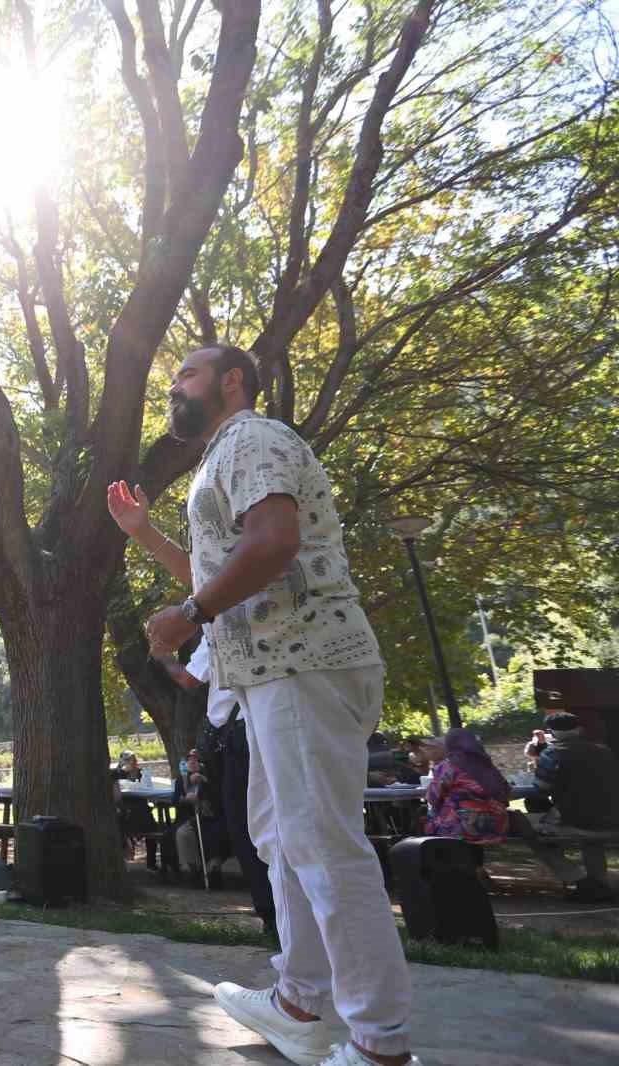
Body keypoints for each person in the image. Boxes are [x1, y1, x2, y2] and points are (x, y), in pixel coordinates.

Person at [108, 345, 417, 1066]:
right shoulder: (226, 456)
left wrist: (190, 612)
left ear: (232, 380)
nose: (173, 390)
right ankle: (298, 1004)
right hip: (271, 677)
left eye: (185, 375)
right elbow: (225, 569)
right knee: (282, 839)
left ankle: (381, 1047)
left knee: (323, 848)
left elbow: (274, 543)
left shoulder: (251, 437)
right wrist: (145, 535)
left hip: (302, 663)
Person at [187, 636, 275, 931]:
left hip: (242, 739)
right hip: (268, 728)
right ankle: (283, 915)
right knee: (270, 825)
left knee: (248, 828)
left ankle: (273, 913)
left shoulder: (219, 626)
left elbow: (188, 679)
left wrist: (160, 653)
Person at [520, 712, 619, 902]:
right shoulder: (604, 751)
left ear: (552, 732)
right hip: (612, 819)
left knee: (532, 833)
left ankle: (581, 879)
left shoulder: (552, 753)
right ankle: (598, 884)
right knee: (591, 839)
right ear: (579, 729)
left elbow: (540, 789)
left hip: (577, 821)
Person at [424, 728, 510, 843]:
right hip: (496, 826)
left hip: (461, 828)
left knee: (430, 813)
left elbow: (433, 797)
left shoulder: (448, 767)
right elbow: (505, 792)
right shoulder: (488, 766)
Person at [173, 750, 229, 889]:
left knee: (216, 834)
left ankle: (213, 868)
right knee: (183, 833)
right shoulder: (181, 780)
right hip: (189, 818)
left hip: (210, 818)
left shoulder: (210, 778)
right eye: (190, 760)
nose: (192, 762)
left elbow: (218, 799)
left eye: (196, 760)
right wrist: (186, 798)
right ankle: (194, 869)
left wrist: (204, 785)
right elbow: (175, 800)